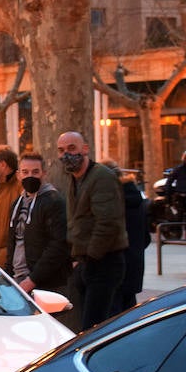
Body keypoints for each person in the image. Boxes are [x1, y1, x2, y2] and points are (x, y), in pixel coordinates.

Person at [57, 131, 128, 330]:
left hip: (103, 262)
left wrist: (90, 258)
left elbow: (107, 223)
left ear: (85, 149)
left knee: (94, 326)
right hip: (87, 261)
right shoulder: (74, 179)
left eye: (72, 148)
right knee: (91, 324)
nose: (66, 155)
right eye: (61, 150)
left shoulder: (101, 177)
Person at [5, 153, 71, 312]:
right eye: (25, 172)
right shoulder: (17, 204)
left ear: (44, 173)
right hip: (18, 280)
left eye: (35, 172)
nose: (30, 176)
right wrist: (7, 277)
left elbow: (57, 245)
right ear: (18, 174)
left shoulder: (53, 201)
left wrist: (32, 280)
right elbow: (12, 243)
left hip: (45, 284)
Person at [108, 161, 149, 313]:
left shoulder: (112, 200)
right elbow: (146, 237)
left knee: (113, 316)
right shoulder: (137, 197)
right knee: (129, 313)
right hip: (135, 264)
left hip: (115, 267)